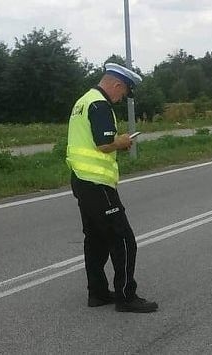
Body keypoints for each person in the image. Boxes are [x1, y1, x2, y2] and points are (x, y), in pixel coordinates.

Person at [66, 63, 158, 313]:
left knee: (95, 239)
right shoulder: (100, 104)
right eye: (124, 91)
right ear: (116, 84)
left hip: (81, 180)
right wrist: (124, 141)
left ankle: (96, 293)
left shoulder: (83, 101)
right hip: (98, 184)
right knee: (124, 240)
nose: (122, 97)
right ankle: (126, 296)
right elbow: (104, 143)